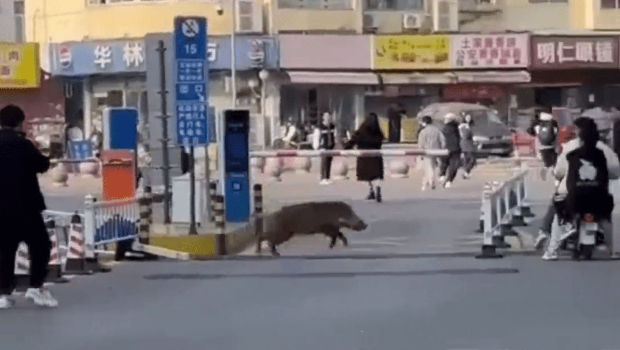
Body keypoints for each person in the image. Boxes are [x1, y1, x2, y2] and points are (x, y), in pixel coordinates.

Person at [0, 105, 58, 308]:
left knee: (5, 250)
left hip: (2, 210)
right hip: (26, 208)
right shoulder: (23, 144)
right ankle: (35, 287)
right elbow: (41, 165)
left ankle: (3, 293)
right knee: (41, 246)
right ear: (19, 123)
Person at [542, 117, 620, 261]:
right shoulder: (604, 151)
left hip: (574, 198)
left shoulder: (569, 150)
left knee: (558, 215)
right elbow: (615, 171)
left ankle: (552, 250)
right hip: (599, 199)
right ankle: (615, 250)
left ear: (579, 132)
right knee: (608, 219)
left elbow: (558, 171)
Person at [345, 113, 385, 202]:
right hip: (375, 156)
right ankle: (377, 187)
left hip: (364, 158)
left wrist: (345, 147)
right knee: (377, 175)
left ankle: (371, 191)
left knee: (368, 176)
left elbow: (352, 141)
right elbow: (380, 142)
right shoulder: (378, 132)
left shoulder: (361, 131)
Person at [417, 116, 445, 191]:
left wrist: (420, 153)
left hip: (427, 151)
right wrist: (442, 149)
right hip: (437, 150)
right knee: (434, 166)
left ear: (424, 122)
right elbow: (442, 140)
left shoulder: (423, 132)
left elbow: (420, 143)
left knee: (429, 167)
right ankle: (435, 180)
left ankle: (431, 181)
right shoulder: (437, 130)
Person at [313, 112, 337, 185]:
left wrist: (335, 145)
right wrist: (317, 147)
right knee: (324, 161)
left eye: (329, 116)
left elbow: (335, 136)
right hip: (323, 146)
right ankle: (322, 178)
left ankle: (327, 177)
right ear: (323, 117)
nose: (328, 118)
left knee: (329, 161)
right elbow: (316, 137)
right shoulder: (320, 127)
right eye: (326, 116)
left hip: (330, 147)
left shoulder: (333, 126)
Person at [438, 113, 461, 188]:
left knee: (444, 163)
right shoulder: (457, 128)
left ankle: (442, 176)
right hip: (455, 149)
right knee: (453, 166)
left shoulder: (444, 128)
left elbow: (441, 139)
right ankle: (449, 180)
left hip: (445, 148)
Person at [535, 112, 559, 181]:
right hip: (552, 147)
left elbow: (538, 137)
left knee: (547, 164)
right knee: (555, 163)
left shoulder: (538, 126)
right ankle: (556, 179)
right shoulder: (554, 125)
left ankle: (545, 171)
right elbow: (556, 136)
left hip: (543, 148)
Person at [459, 113, 476, 179]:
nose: (468, 119)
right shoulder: (463, 126)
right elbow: (465, 136)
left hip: (470, 144)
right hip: (465, 144)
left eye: (470, 117)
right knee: (471, 159)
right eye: (467, 117)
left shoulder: (471, 125)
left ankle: (466, 173)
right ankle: (466, 171)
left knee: (469, 159)